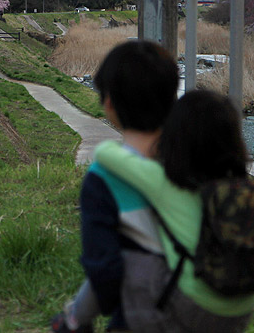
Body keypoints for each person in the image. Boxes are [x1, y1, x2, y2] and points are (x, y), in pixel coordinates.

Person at [93, 90, 254, 331]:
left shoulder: (166, 182)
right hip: (242, 308)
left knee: (134, 259)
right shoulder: (243, 188)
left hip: (194, 305)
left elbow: (105, 153)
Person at [51, 40, 180, 333]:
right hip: (207, 312)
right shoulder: (195, 160)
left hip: (142, 318)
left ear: (109, 103)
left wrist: (79, 318)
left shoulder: (103, 178)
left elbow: (105, 271)